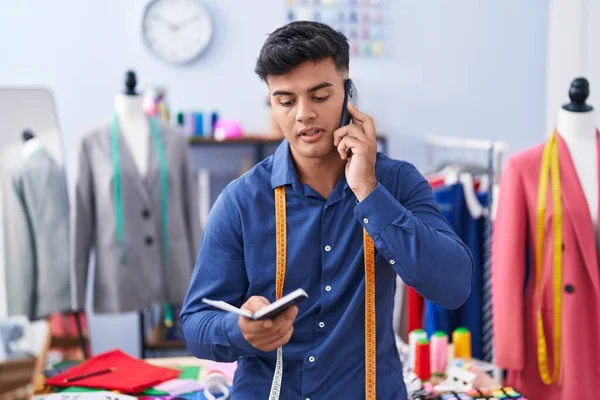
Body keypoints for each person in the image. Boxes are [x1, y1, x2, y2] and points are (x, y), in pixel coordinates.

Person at [180, 21, 473, 399]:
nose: (304, 114)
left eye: (320, 96)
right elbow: (194, 324)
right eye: (286, 101)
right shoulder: (241, 201)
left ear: (347, 92)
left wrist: (368, 191)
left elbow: (454, 286)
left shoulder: (397, 183)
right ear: (271, 101)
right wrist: (240, 331)